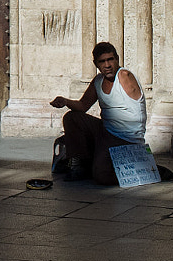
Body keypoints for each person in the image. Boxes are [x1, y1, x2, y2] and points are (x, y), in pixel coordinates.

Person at [50, 41, 148, 185]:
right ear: (96, 64)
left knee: (102, 176)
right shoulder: (98, 80)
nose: (107, 65)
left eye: (110, 60)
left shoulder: (124, 76)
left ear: (117, 59)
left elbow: (137, 116)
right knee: (72, 117)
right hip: (105, 132)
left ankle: (147, 168)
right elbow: (83, 105)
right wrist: (65, 101)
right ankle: (79, 165)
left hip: (125, 137)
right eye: (102, 61)